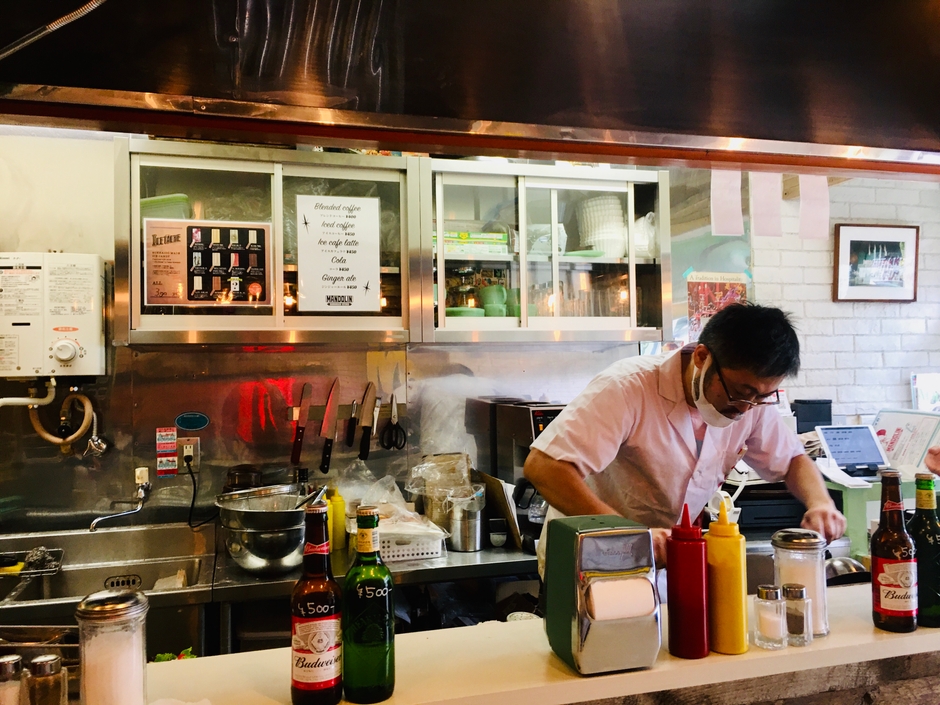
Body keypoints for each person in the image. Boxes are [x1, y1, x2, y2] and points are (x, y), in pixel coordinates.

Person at [524, 302, 846, 567]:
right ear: (702, 357)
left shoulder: (752, 403)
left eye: (762, 397)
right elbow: (545, 467)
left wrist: (820, 503)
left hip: (667, 566)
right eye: (740, 392)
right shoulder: (628, 388)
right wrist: (628, 535)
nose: (747, 408)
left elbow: (792, 459)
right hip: (591, 560)